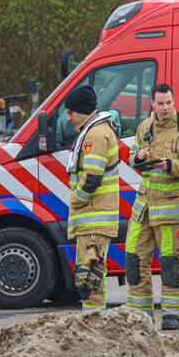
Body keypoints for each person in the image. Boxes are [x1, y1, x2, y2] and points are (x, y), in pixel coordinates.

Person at [124, 84, 179, 331]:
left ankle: (172, 315)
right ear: (152, 105)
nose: (166, 108)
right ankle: (140, 316)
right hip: (144, 208)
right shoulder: (144, 127)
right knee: (134, 261)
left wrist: (172, 166)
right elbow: (131, 158)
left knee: (170, 265)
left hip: (171, 210)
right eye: (161, 103)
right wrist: (137, 159)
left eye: (169, 102)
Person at [63, 85, 119, 313]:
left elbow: (92, 178)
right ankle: (94, 317)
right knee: (91, 272)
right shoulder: (94, 131)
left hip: (93, 215)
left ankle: (93, 320)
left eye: (70, 112)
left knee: (90, 275)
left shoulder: (95, 134)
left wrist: (76, 200)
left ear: (82, 110)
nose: (68, 118)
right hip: (92, 217)